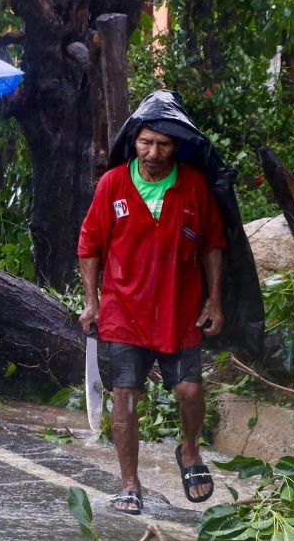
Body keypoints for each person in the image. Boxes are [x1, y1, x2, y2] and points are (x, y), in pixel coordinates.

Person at [77, 122, 225, 515]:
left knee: (190, 392)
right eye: (145, 143)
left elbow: (213, 243)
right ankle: (129, 483)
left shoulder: (193, 184)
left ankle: (189, 450)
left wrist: (214, 300)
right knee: (125, 397)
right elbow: (89, 245)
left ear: (176, 146)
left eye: (162, 144)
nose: (153, 153)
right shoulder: (112, 184)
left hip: (180, 311)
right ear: (133, 143)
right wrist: (91, 302)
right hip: (124, 311)